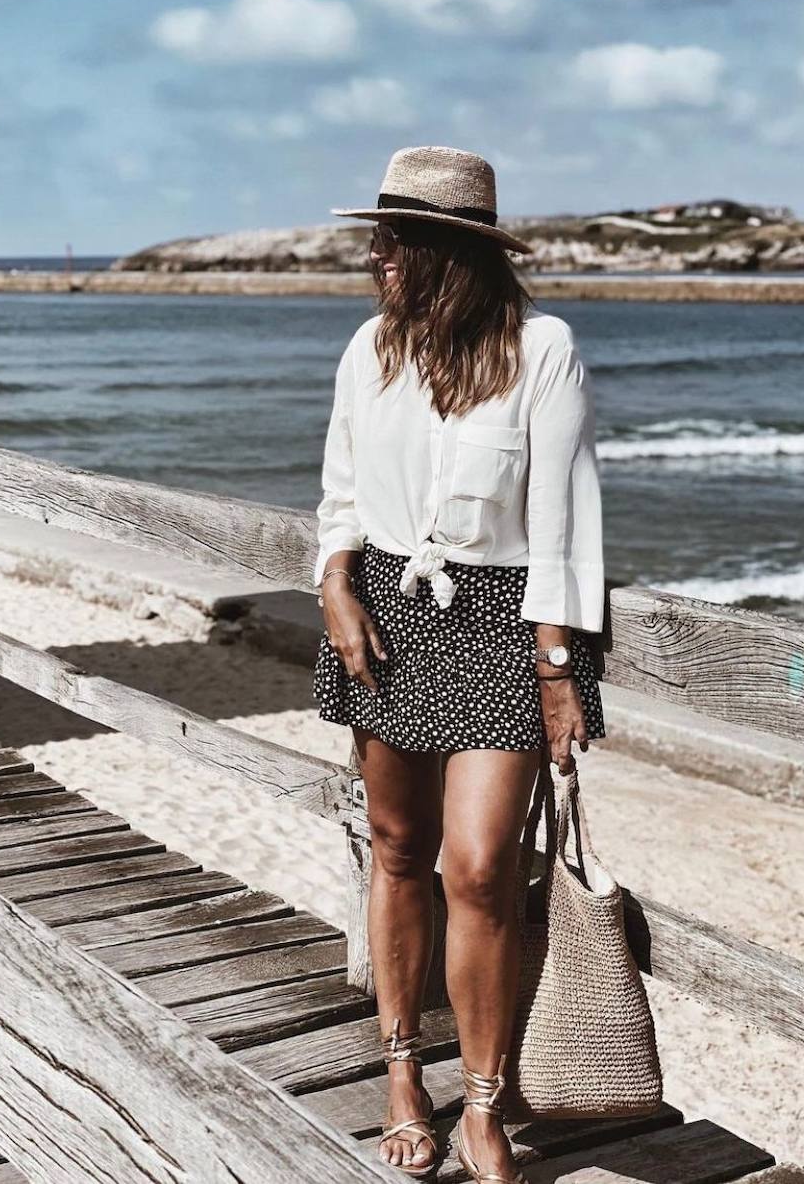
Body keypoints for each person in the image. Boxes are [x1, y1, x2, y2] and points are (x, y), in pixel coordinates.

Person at [312, 145, 606, 1182]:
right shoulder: (370, 350)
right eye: (376, 241)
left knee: (478, 867)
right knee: (396, 851)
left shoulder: (543, 349)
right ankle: (401, 1072)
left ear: (445, 253)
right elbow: (339, 487)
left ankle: (482, 1100)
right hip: (385, 609)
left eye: (392, 243)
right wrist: (333, 584)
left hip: (501, 620)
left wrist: (557, 666)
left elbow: (564, 518)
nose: (375, 258)